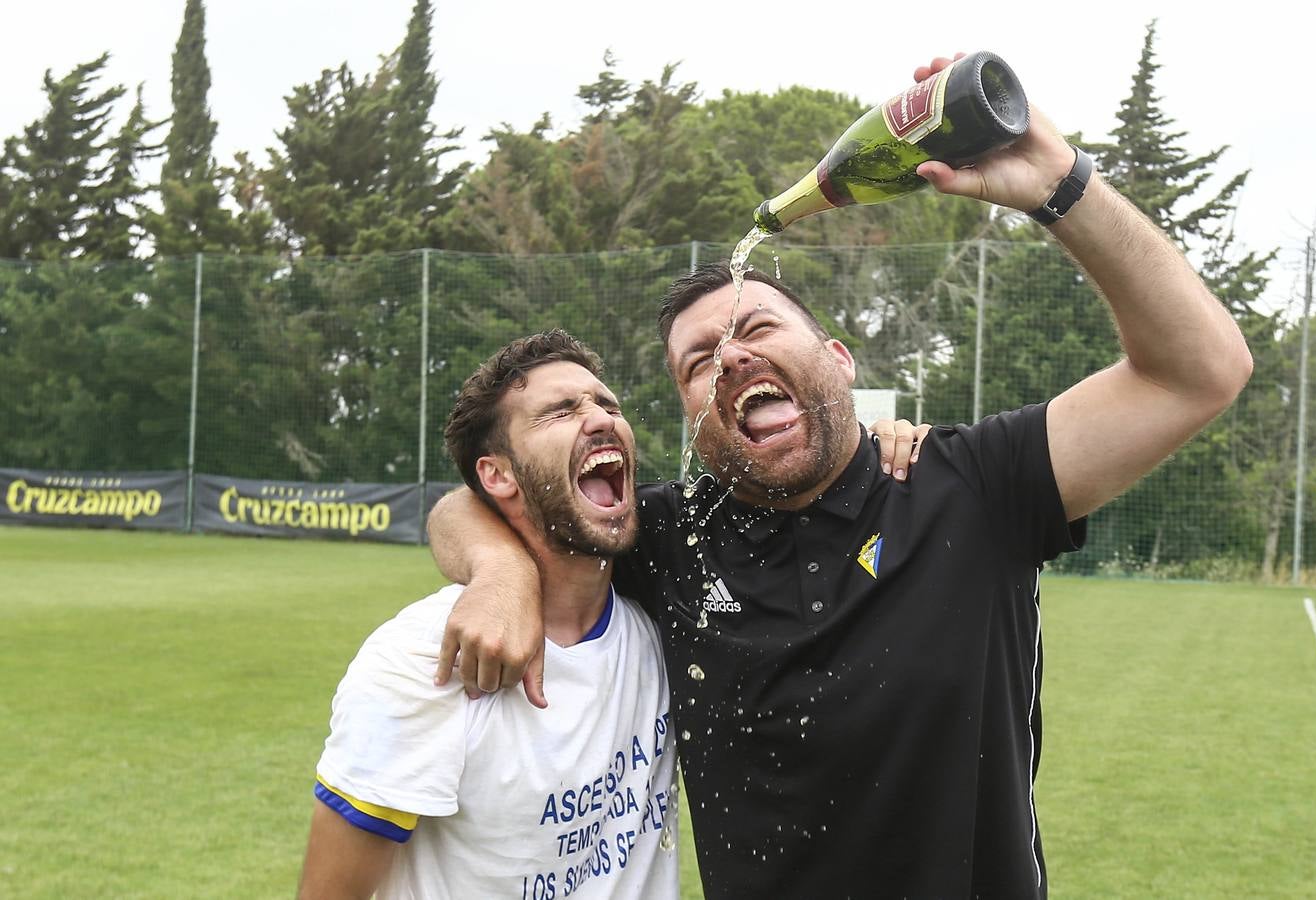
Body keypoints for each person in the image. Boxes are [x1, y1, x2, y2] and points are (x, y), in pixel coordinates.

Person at [426, 53, 1254, 899]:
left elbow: (1198, 372)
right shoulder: (671, 540)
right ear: (688, 414)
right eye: (697, 361)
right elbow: (470, 503)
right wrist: (495, 572)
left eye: (755, 328)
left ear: (837, 359)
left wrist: (1060, 186)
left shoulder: (970, 483)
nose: (730, 356)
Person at [298, 331, 681, 899]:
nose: (600, 419)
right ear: (497, 476)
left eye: (607, 404)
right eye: (561, 411)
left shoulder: (662, 619)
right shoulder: (423, 659)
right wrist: (503, 570)